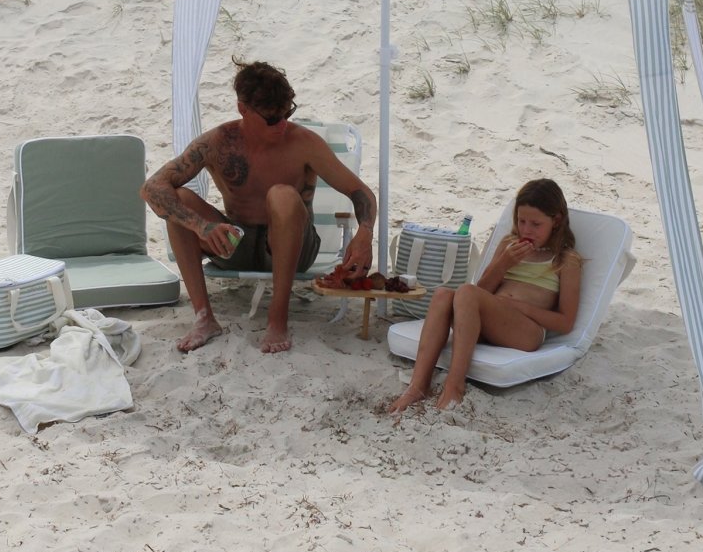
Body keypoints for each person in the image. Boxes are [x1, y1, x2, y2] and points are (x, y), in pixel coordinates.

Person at [141, 59, 376, 354]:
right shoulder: (218, 142)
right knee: (180, 200)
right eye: (271, 118)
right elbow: (152, 187)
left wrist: (365, 231)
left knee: (282, 195)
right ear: (243, 109)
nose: (282, 124)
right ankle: (204, 318)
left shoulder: (304, 143)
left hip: (294, 247)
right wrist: (202, 226)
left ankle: (277, 319)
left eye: (287, 113)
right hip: (236, 243)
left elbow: (359, 190)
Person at [389, 178, 582, 412]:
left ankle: (454, 385)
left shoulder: (565, 259)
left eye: (535, 224)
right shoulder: (509, 244)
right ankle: (418, 387)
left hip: (525, 331)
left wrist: (520, 308)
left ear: (556, 220)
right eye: (521, 221)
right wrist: (504, 263)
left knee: (466, 292)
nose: (526, 230)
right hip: (488, 324)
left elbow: (565, 322)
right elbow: (482, 291)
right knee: (442, 294)